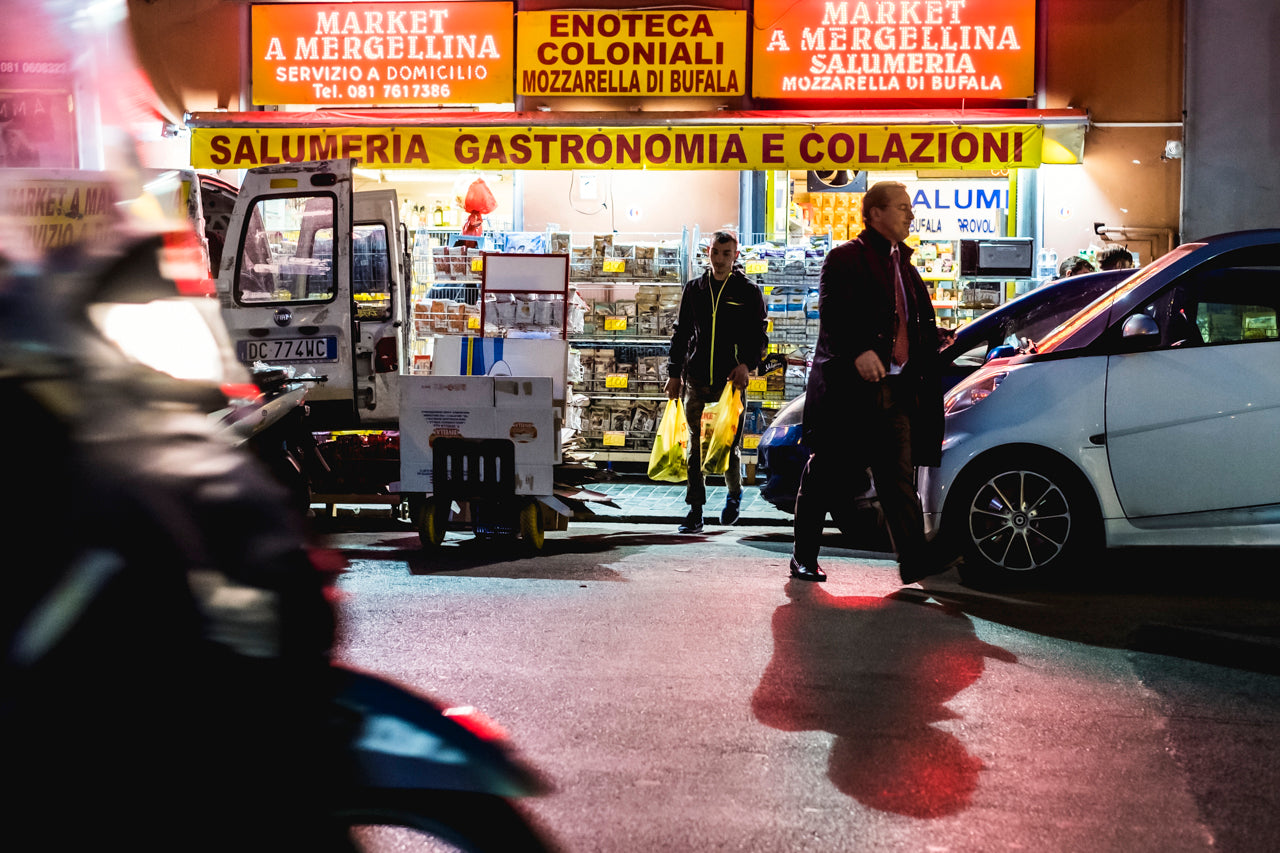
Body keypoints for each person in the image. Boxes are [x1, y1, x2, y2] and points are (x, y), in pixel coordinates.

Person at [789, 182, 944, 584]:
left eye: (911, 208)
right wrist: (858, 351)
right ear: (875, 213)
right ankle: (803, 556)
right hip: (849, 394)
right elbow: (833, 313)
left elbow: (905, 324)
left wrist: (936, 336)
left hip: (895, 392)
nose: (910, 215)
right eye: (902, 207)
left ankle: (914, 562)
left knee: (898, 481)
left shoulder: (905, 267)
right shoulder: (845, 259)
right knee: (825, 475)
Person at [665, 230, 768, 533]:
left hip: (730, 383)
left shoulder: (748, 291)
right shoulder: (694, 289)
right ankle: (695, 510)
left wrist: (747, 365)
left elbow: (758, 336)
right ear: (707, 253)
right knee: (694, 447)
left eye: (726, 254)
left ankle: (734, 494)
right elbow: (681, 333)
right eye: (715, 253)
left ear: (735, 256)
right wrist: (674, 374)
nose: (720, 260)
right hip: (696, 379)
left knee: (727, 444)